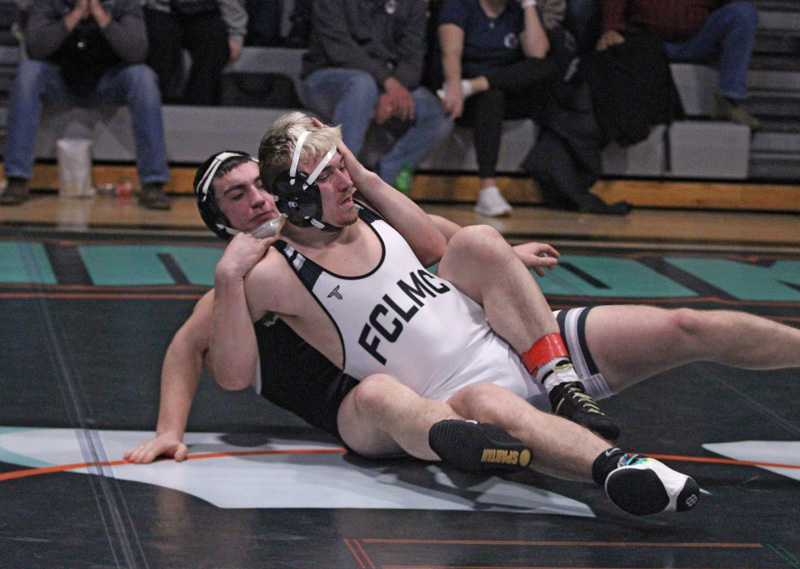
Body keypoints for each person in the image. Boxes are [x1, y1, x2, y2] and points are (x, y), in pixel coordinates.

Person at [126, 140, 800, 515]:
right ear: (222, 222)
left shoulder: (366, 215)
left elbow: (443, 239)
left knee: (684, 322)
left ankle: (558, 388)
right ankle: (571, 458)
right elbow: (200, 351)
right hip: (428, 397)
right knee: (423, 399)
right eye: (239, 196)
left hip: (505, 346)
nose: (260, 199)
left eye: (260, 184)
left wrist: (508, 258)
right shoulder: (259, 272)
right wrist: (169, 430)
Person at [0, 0, 172, 209]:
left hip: (108, 81)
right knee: (28, 72)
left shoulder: (123, 3)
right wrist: (75, 15)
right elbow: (35, 48)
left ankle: (153, 182)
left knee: (143, 77)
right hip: (60, 80)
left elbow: (136, 51)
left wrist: (100, 16)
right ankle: (17, 178)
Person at [435, 0, 573, 217]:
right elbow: (450, 52)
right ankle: (488, 189)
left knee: (549, 65)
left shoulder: (517, 10)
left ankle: (476, 85)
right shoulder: (460, 5)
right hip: (466, 94)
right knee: (492, 97)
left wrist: (528, 5)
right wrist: (455, 87)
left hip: (505, 87)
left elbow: (537, 54)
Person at [299, 0, 453, 188]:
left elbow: (414, 56)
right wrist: (388, 82)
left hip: (386, 83)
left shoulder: (414, 4)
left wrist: (393, 89)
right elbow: (339, 49)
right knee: (362, 86)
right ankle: (337, 177)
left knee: (437, 114)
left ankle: (386, 179)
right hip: (327, 77)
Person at [596, 0, 760, 129]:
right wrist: (611, 27)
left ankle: (728, 100)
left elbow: (735, 7)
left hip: (698, 41)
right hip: (648, 42)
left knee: (744, 12)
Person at [143, 0, 247, 105]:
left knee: (215, 39)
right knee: (159, 39)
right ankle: (156, 104)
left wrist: (236, 34)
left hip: (203, 11)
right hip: (156, 9)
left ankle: (200, 105)